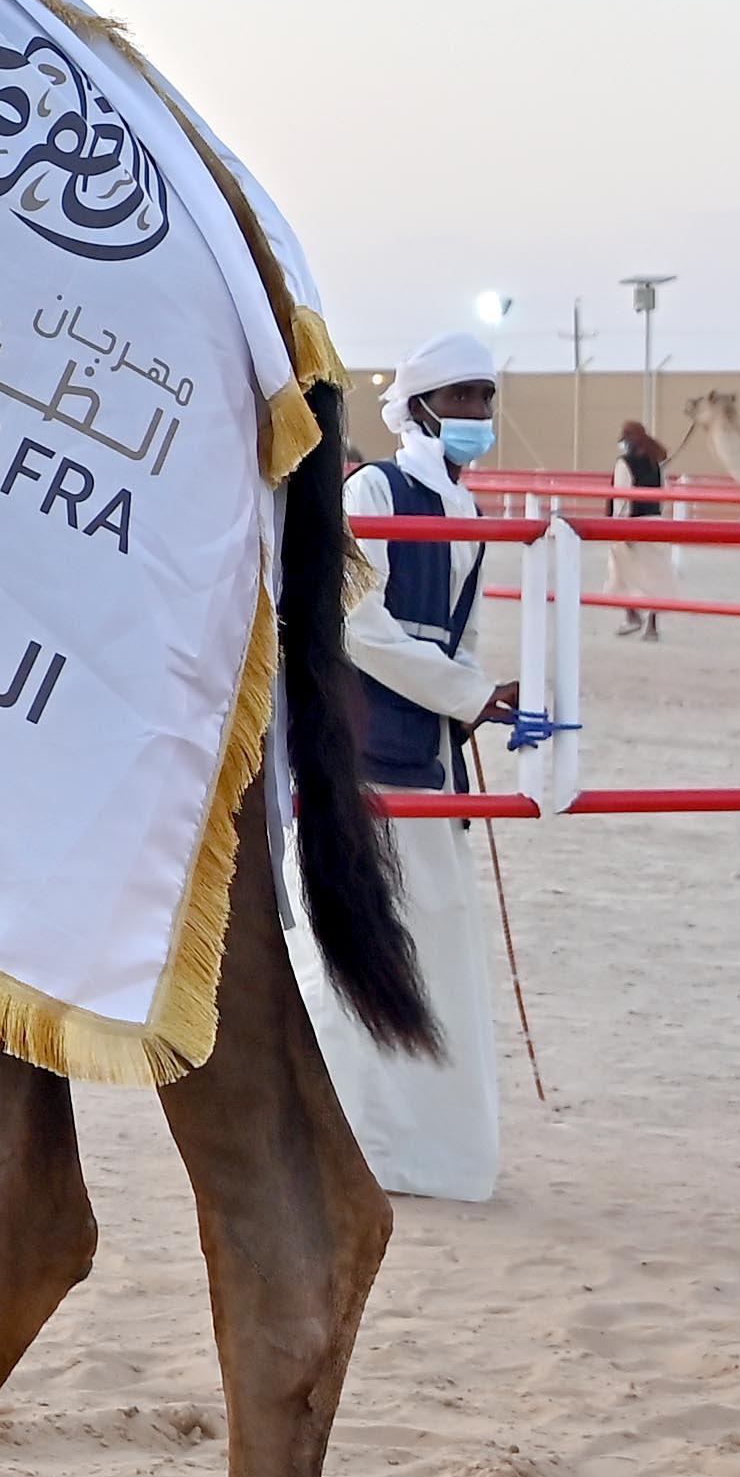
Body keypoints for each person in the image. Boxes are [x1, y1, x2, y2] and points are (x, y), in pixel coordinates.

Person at [313, 327, 512, 1201]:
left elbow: (457, 635)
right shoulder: (374, 490)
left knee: (440, 945)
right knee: (375, 948)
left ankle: (435, 1153)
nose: (478, 413)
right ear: (421, 406)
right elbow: (356, 624)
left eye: (486, 398)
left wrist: (474, 699)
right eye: (463, 397)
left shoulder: (464, 507)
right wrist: (464, 694)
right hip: (370, 754)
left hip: (432, 760)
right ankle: (369, 1150)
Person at [610, 415, 672, 639]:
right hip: (655, 523)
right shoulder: (655, 464)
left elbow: (621, 496)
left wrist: (620, 527)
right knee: (654, 576)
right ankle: (652, 626)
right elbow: (662, 495)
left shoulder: (624, 464)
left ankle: (632, 616)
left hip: (632, 523)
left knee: (621, 571)